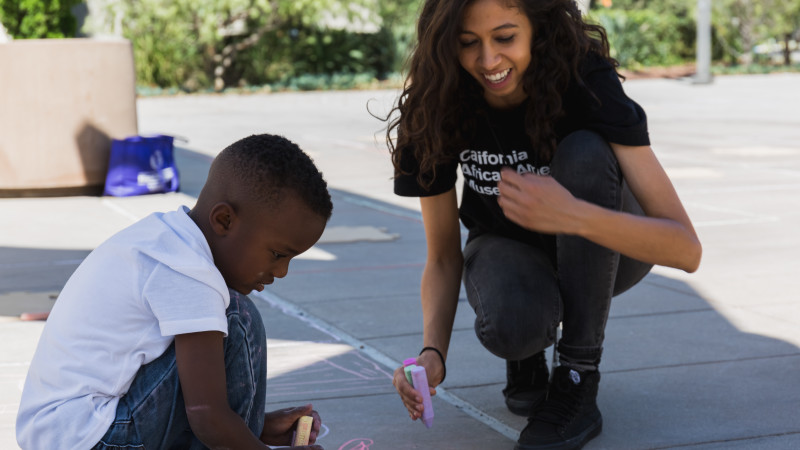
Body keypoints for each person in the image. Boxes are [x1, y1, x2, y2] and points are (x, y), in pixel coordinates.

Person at [386, 1, 702, 449]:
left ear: (538, 28)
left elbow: (686, 250)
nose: (489, 61)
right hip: (508, 247)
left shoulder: (584, 79)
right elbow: (441, 254)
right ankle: (529, 354)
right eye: (468, 43)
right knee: (512, 326)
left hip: (607, 247)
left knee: (587, 153)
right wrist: (432, 354)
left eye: (505, 38)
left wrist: (571, 214)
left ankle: (577, 376)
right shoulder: (435, 103)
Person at [16, 134, 332, 450]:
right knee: (236, 316)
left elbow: (198, 402)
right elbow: (206, 415)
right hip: (93, 438)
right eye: (277, 254)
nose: (281, 272)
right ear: (224, 220)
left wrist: (256, 429)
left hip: (69, 433)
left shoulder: (165, 239)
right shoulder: (187, 271)